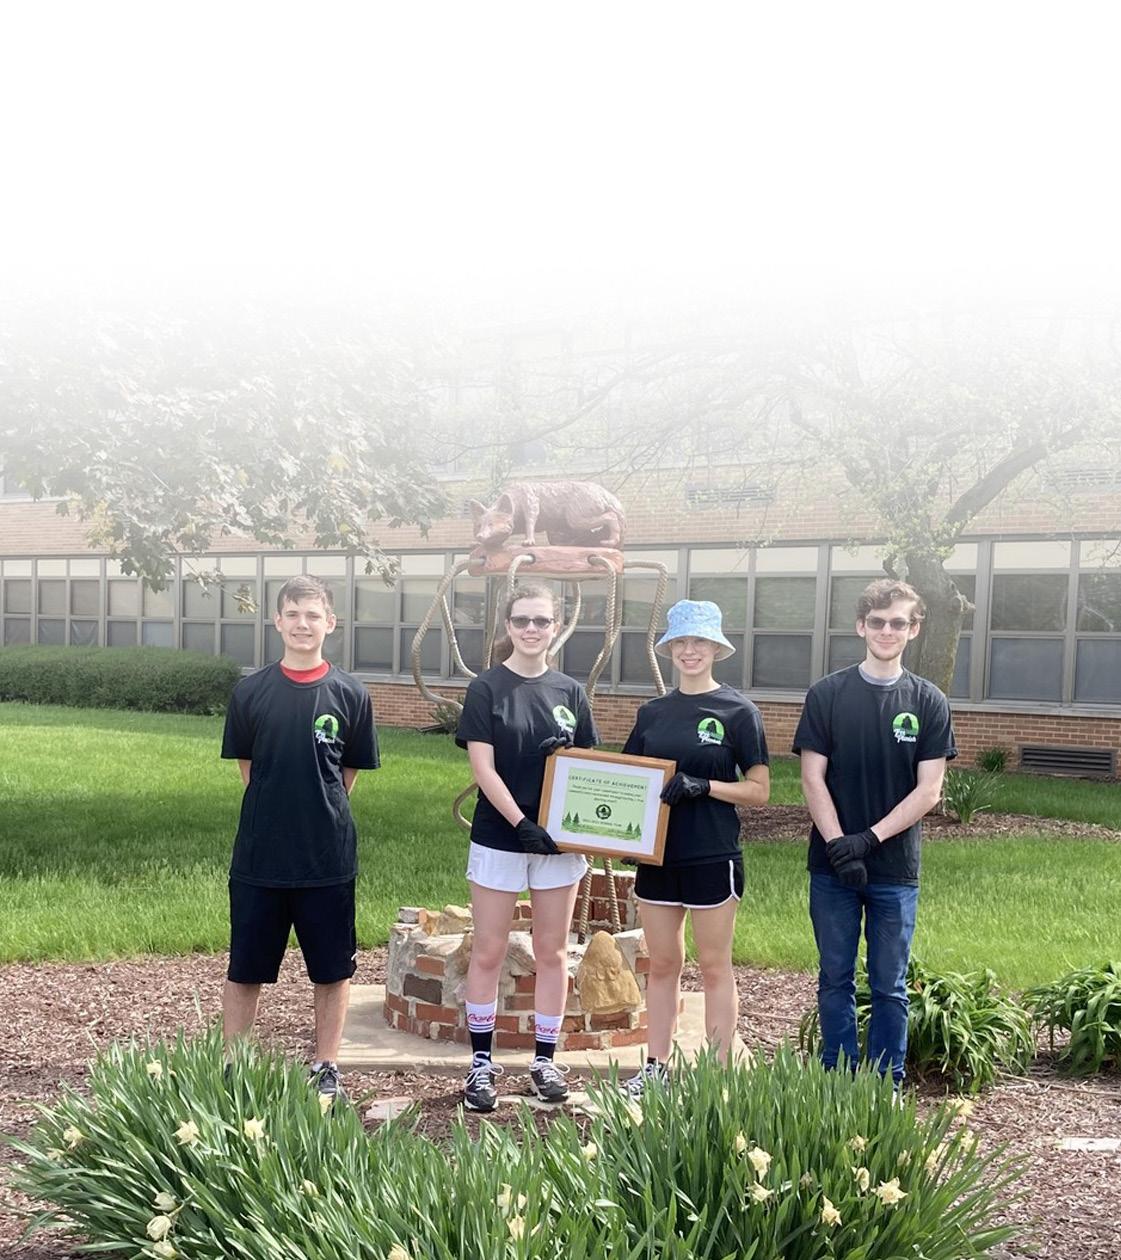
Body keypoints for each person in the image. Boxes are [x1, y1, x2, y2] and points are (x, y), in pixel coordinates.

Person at [220, 574, 379, 1100]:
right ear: (277, 621)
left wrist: (317, 812)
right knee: (246, 968)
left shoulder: (351, 694)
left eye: (313, 615)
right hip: (260, 857)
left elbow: (345, 777)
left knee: (331, 970)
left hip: (326, 858)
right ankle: (234, 1064)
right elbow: (250, 771)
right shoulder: (251, 692)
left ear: (330, 623)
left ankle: (326, 1065)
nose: (302, 624)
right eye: (293, 614)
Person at [793, 577, 956, 1088]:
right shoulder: (827, 694)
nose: (888, 631)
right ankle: (837, 1082)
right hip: (832, 869)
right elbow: (812, 777)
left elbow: (929, 790)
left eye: (899, 623)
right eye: (878, 622)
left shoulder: (928, 701)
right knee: (834, 978)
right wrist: (840, 846)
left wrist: (868, 840)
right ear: (861, 626)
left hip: (894, 870)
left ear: (914, 629)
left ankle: (886, 1086)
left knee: (890, 985)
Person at [455, 583, 598, 1112]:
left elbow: (589, 769)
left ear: (556, 627)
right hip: (500, 836)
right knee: (488, 950)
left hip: (559, 843)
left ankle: (544, 1062)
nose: (531, 630)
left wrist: (568, 767)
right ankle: (480, 1065)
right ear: (507, 626)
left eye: (541, 621)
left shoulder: (571, 692)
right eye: (522, 620)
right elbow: (483, 768)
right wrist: (521, 823)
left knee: (552, 952)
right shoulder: (487, 688)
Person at [619, 599, 770, 1096]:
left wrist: (705, 787)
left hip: (712, 854)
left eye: (699, 641)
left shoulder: (738, 712)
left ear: (715, 648)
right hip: (659, 858)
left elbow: (759, 790)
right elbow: (629, 783)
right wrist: (620, 833)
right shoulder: (652, 714)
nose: (689, 650)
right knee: (662, 964)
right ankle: (656, 1068)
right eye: (681, 641)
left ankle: (717, 1075)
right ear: (668, 649)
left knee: (713, 966)